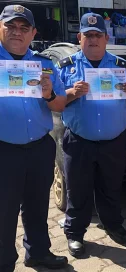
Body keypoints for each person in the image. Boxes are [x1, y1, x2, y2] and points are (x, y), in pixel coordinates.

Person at [57, 13, 126, 257]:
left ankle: (113, 225)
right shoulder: (66, 67)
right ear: (80, 37)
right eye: (88, 35)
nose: (93, 39)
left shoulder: (121, 67)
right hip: (79, 141)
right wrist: (72, 92)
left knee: (111, 188)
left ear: (106, 38)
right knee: (78, 190)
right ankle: (75, 234)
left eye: (98, 35)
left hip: (113, 142)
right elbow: (53, 101)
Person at [0, 5, 68, 271]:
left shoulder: (45, 65)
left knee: (38, 206)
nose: (17, 32)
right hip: (4, 151)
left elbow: (60, 105)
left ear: (33, 33)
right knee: (4, 212)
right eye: (10, 26)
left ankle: (38, 252)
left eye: (23, 28)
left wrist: (50, 94)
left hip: (40, 147)